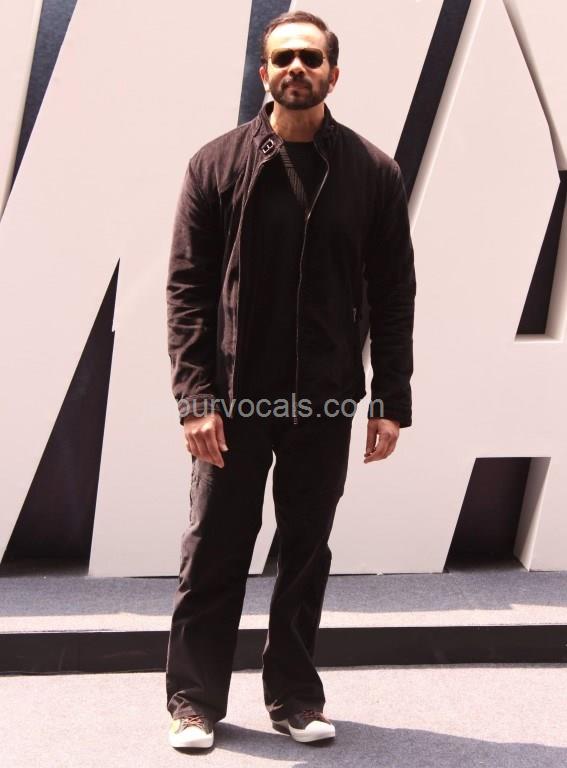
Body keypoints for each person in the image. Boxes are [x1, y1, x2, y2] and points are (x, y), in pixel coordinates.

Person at [165, 10, 416, 750]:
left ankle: (296, 699)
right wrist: (195, 399)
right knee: (214, 549)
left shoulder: (372, 172)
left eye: (310, 57)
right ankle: (193, 703)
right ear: (264, 72)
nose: (296, 68)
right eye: (283, 58)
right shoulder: (215, 165)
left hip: (325, 398)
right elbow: (186, 291)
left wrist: (389, 399)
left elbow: (393, 293)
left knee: (306, 553)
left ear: (333, 74)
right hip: (233, 400)